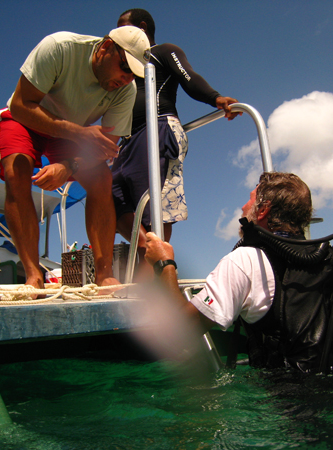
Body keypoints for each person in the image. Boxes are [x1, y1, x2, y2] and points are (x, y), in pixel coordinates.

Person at [0, 26, 150, 293]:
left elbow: (106, 148)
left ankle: (104, 275)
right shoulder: (59, 47)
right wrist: (76, 131)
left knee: (102, 178)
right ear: (105, 48)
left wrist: (67, 166)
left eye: (133, 75)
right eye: (124, 67)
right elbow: (21, 105)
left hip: (69, 135)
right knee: (15, 170)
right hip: (28, 118)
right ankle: (33, 276)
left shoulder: (126, 91)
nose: (125, 79)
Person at [144, 172, 333, 372]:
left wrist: (164, 264)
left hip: (283, 400)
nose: (243, 207)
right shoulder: (332, 260)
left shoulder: (245, 260)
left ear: (263, 210)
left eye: (250, 200)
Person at [112, 8, 240, 276]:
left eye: (125, 28)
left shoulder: (162, 51)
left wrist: (215, 98)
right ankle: (151, 258)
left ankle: (154, 271)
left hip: (158, 129)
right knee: (111, 199)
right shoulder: (123, 66)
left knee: (153, 207)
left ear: (142, 27)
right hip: (126, 141)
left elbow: (188, 77)